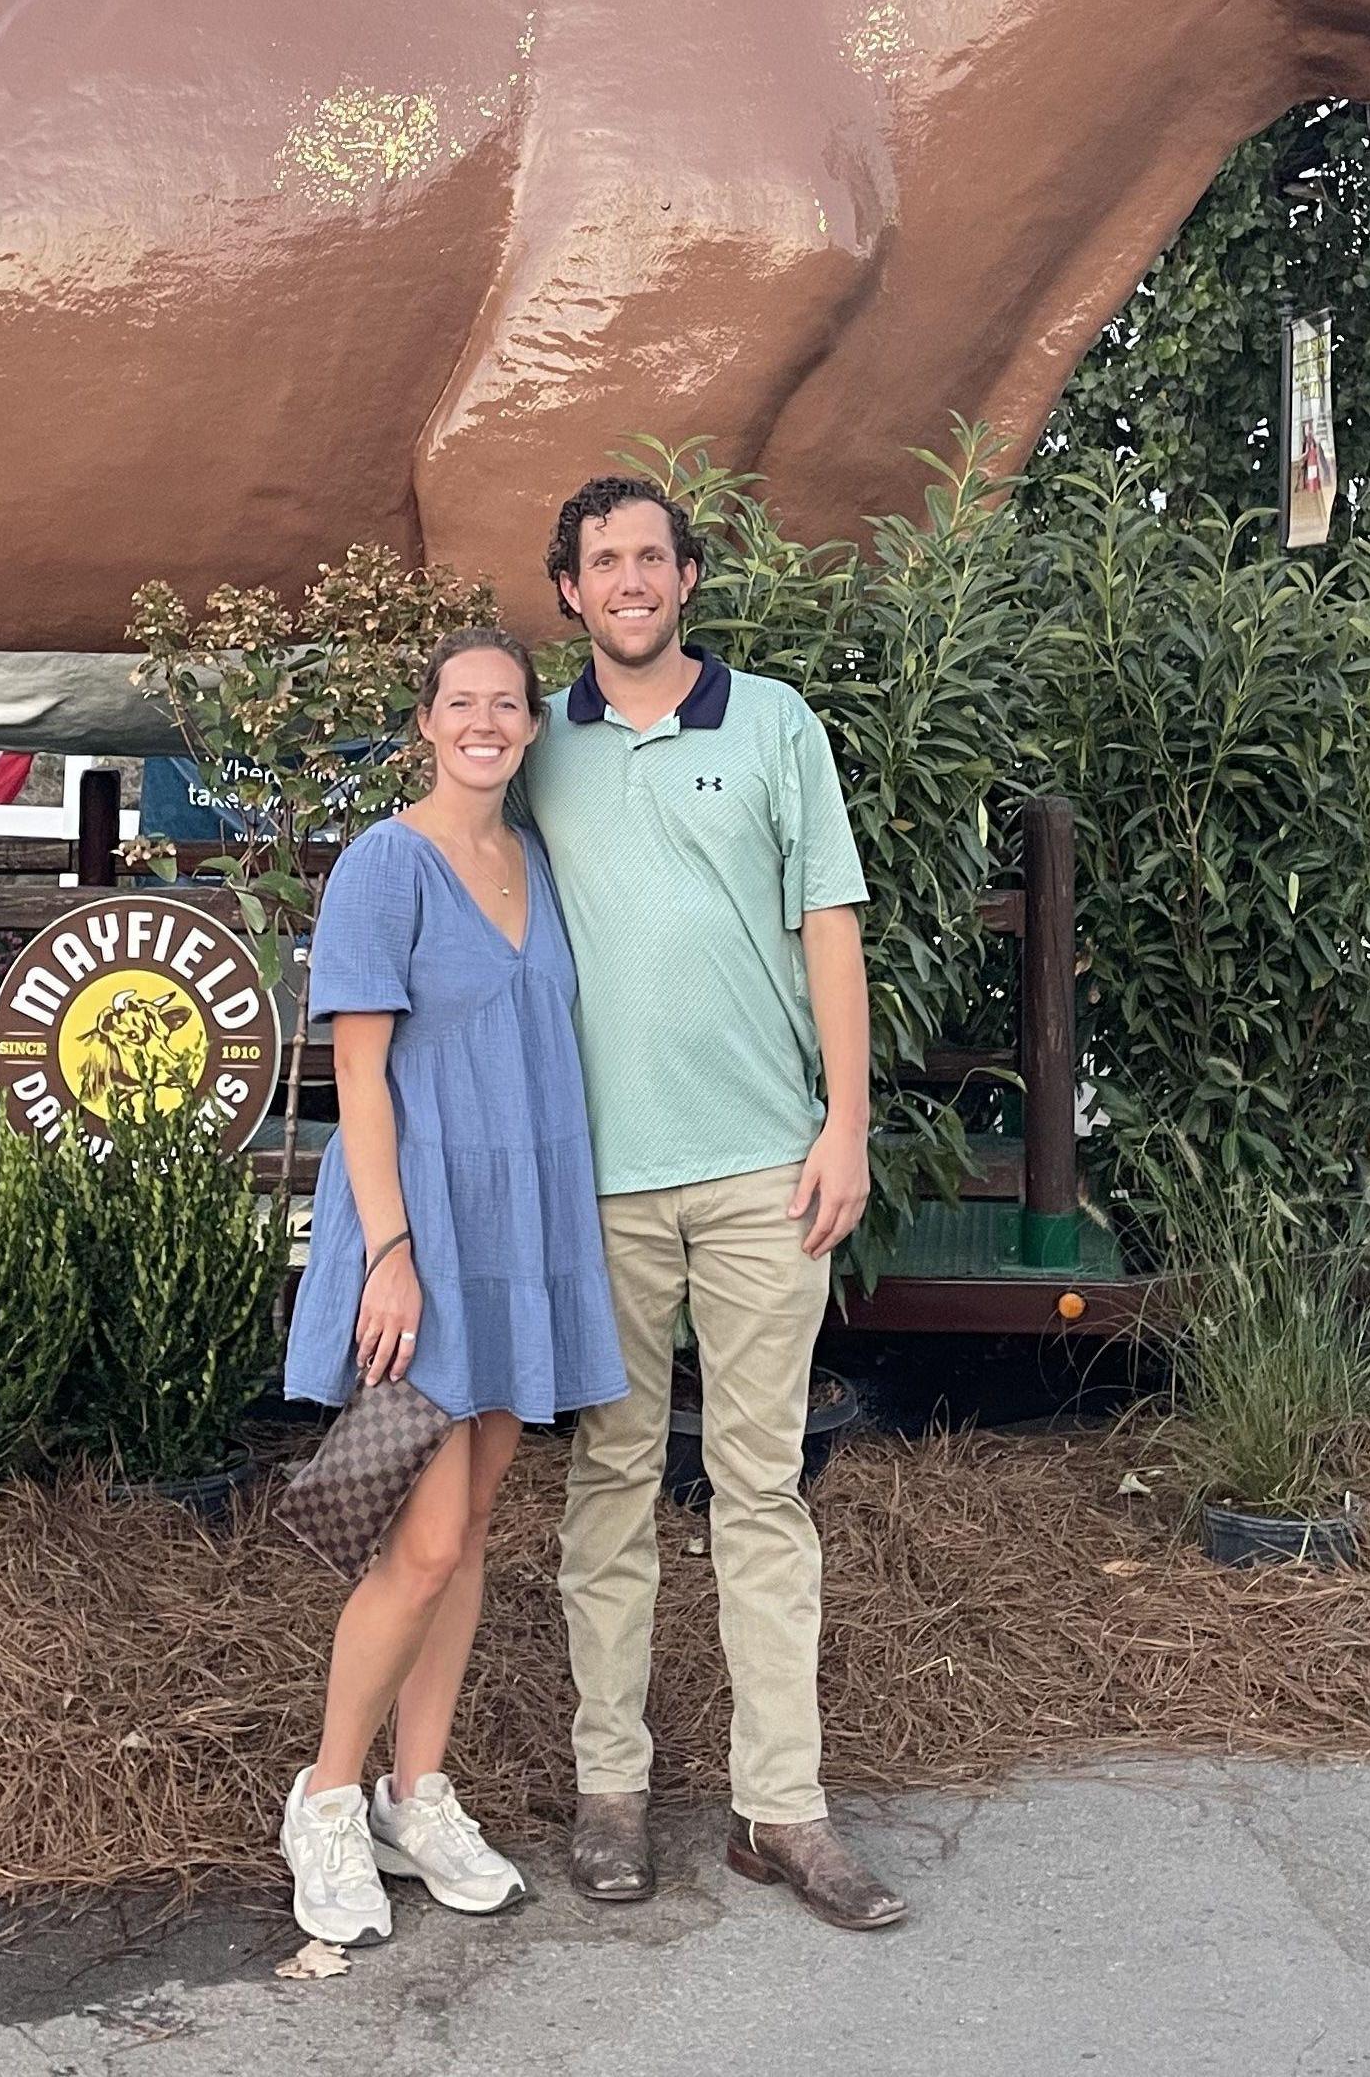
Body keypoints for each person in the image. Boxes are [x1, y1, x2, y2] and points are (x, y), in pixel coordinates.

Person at [525, 474, 907, 1933]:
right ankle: (610, 1793)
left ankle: (782, 1811)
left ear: (689, 579)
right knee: (610, 1483)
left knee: (762, 1490)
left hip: (764, 1169)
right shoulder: (534, 748)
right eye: (602, 560)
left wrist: (845, 1127)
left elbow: (830, 926)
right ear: (571, 591)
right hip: (600, 1181)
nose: (629, 580)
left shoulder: (776, 724)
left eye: (652, 557)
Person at [278, 624, 629, 1947]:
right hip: (421, 1236)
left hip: (518, 1233)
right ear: (426, 722)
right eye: (461, 702)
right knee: (419, 1543)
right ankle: (325, 1797)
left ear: (532, 728)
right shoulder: (388, 863)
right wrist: (389, 1253)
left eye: (508, 704)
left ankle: (415, 1796)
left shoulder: (532, 859)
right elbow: (360, 1077)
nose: (485, 721)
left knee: (471, 1530)